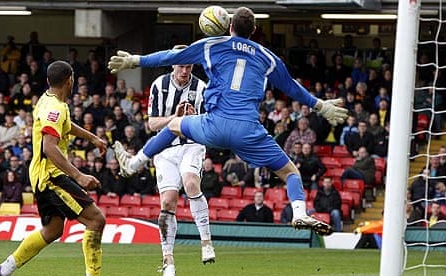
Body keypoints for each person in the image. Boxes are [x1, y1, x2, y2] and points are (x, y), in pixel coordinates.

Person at [109, 7, 347, 235]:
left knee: (173, 125)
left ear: (229, 26)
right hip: (248, 131)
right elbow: (291, 87)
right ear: (253, 31)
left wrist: (135, 60)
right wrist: (320, 105)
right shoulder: (268, 58)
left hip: (214, 125)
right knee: (290, 171)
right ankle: (299, 212)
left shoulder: (211, 45)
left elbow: (172, 56)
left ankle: (134, 164)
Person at [0, 61, 107, 276]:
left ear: (48, 81)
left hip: (41, 174)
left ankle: (2, 270)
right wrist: (79, 176)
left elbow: (64, 125)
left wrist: (92, 138)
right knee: (96, 219)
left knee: (53, 229)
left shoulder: (47, 100)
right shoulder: (55, 108)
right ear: (69, 80)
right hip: (51, 175)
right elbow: (49, 148)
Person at [144, 45, 215, 275]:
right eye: (181, 65)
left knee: (191, 182)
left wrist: (193, 121)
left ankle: (206, 242)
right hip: (165, 148)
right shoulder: (159, 85)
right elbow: (152, 124)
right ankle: (168, 259)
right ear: (173, 64)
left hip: (191, 145)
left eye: (188, 66)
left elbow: (209, 123)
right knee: (168, 202)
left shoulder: (201, 88)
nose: (185, 70)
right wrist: (176, 118)